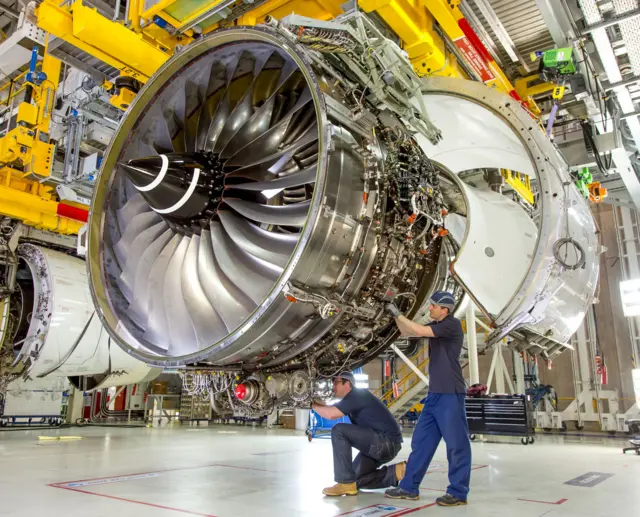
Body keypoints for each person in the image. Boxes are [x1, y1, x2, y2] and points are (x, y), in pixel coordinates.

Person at [383, 291, 471, 507]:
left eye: (433, 306)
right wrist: (395, 313)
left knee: (456, 445)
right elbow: (406, 330)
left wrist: (397, 312)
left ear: (445, 309)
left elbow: (418, 329)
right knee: (421, 442)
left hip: (450, 394)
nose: (429, 308)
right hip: (434, 396)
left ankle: (458, 492)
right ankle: (409, 487)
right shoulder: (438, 327)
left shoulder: (452, 324)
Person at [312, 371, 407, 496]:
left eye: (335, 383)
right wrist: (314, 401)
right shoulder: (352, 399)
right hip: (383, 445)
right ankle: (394, 473)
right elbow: (329, 409)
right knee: (354, 481)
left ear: (347, 383)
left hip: (384, 442)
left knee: (339, 430)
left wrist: (311, 404)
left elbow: (330, 414)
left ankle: (344, 482)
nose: (333, 387)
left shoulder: (357, 395)